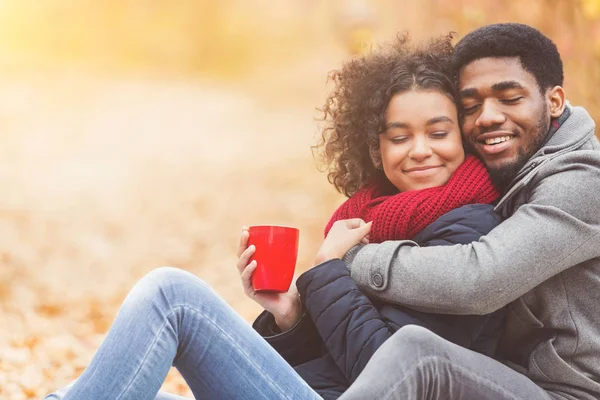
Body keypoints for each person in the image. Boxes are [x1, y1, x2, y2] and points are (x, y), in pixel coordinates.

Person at [44, 35, 501, 400]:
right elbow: (338, 354)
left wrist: (326, 271)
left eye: (438, 133)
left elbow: (390, 375)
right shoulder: (368, 217)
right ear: (375, 151)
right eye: (399, 137)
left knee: (172, 296)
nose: (420, 150)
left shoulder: (471, 230)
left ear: (463, 135)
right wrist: (292, 316)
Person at [333, 23, 600, 400]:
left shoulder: (585, 181)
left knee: (418, 355)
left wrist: (349, 258)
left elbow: (479, 281)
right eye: (471, 106)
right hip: (502, 375)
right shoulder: (506, 168)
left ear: (554, 101)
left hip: (566, 394)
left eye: (510, 97)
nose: (488, 117)